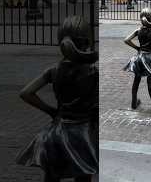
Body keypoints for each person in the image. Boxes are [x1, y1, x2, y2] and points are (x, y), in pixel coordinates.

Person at [16, 16, 98, 182]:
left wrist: (51, 111)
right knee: (83, 176)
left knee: (52, 175)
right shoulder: (93, 72)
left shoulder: (54, 70)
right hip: (83, 134)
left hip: (56, 132)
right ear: (87, 41)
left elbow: (26, 93)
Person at [124, 8, 151, 114]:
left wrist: (137, 48)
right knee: (150, 80)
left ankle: (134, 102)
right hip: (150, 58)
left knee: (137, 79)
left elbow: (126, 40)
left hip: (139, 57)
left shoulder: (138, 30)